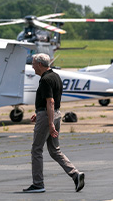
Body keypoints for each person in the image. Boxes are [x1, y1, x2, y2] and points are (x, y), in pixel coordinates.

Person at [23, 53, 84, 193]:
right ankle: (75, 174)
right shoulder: (55, 76)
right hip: (55, 114)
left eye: (33, 63)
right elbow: (51, 101)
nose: (32, 66)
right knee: (54, 150)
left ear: (39, 64)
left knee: (36, 149)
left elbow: (50, 101)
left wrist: (48, 122)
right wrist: (39, 113)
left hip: (48, 117)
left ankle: (38, 184)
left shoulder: (45, 80)